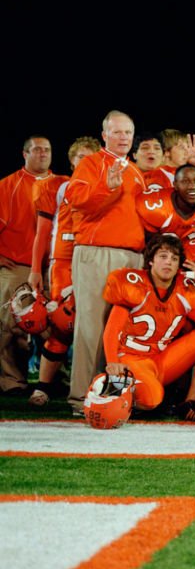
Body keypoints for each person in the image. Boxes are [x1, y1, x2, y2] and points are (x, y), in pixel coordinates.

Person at [66, 111, 147, 413]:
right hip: (98, 252)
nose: (123, 137)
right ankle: (80, 398)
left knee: (120, 330)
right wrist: (108, 188)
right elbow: (77, 200)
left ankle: (111, 396)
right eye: (117, 132)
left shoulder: (135, 171)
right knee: (91, 326)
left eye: (128, 132)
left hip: (131, 255)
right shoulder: (90, 164)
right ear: (104, 135)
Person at [102, 234, 195, 421]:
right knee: (152, 399)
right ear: (151, 260)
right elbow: (111, 330)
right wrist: (112, 362)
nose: (169, 262)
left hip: (160, 360)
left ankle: (190, 403)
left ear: (179, 266)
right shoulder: (134, 284)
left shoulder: (184, 289)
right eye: (163, 256)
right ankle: (109, 387)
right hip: (131, 358)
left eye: (174, 259)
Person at [27, 137, 100, 405]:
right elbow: (42, 232)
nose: (85, 162)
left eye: (90, 157)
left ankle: (92, 382)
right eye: (80, 157)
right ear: (71, 160)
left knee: (95, 323)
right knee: (63, 322)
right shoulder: (55, 187)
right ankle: (43, 386)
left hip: (94, 257)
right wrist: (36, 269)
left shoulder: (106, 187)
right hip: (65, 260)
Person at [0, 136, 53, 394]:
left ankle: (55, 379)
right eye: (37, 149)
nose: (42, 154)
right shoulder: (7, 185)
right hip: (17, 265)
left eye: (47, 150)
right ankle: (12, 382)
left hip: (52, 266)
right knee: (11, 327)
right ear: (24, 154)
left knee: (57, 325)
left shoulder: (62, 184)